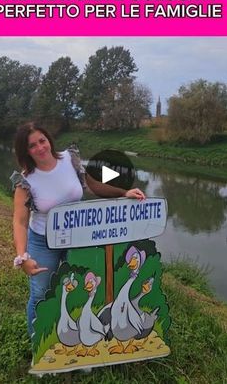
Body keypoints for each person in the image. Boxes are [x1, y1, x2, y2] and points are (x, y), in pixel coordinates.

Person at [10, 121, 145, 336]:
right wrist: (22, 256)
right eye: (32, 146)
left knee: (83, 290)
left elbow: (92, 185)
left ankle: (77, 342)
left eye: (42, 141)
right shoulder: (26, 180)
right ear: (25, 151)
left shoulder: (69, 161)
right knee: (41, 294)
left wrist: (123, 193)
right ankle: (39, 347)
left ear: (48, 139)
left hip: (78, 238)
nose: (40, 148)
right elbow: (20, 221)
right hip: (43, 242)